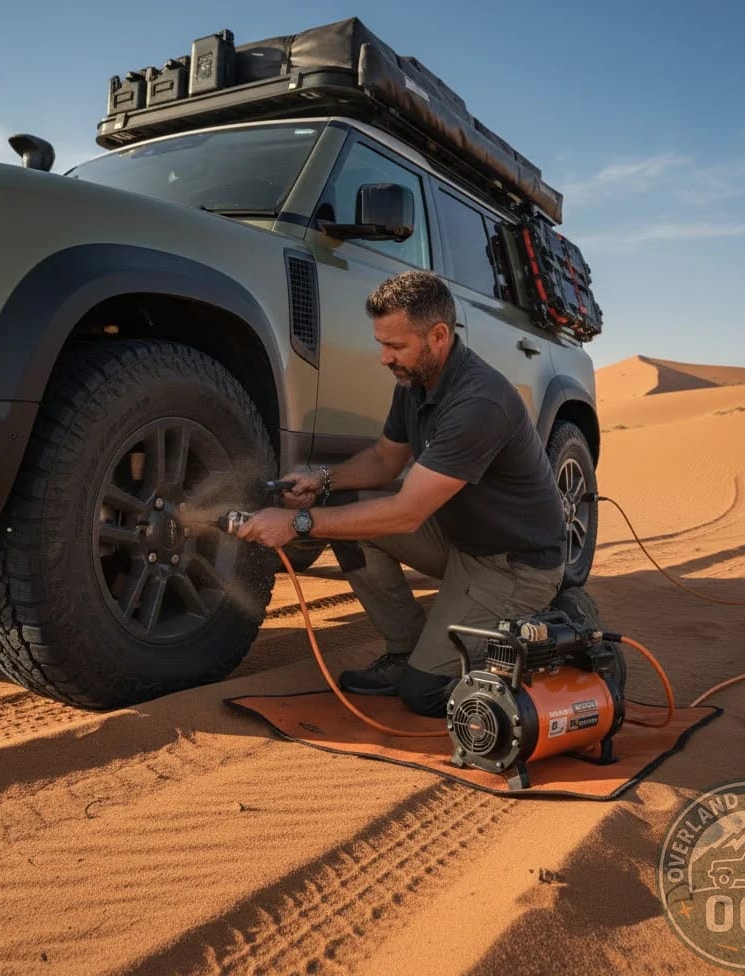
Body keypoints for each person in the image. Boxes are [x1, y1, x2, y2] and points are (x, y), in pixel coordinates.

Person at [237, 270, 567, 717]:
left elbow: (406, 514)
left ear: (438, 336)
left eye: (395, 346)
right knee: (340, 509)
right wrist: (322, 481)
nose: (383, 358)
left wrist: (298, 523)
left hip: (513, 566)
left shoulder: (478, 403)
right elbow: (384, 460)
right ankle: (405, 649)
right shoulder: (416, 382)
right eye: (380, 344)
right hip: (459, 542)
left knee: (425, 693)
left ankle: (547, 625)